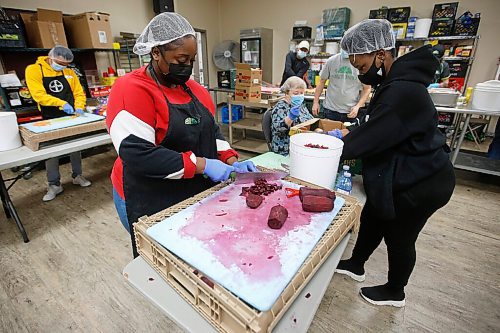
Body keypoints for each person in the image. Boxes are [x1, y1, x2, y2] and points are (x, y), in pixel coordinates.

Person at [106, 13, 256, 257]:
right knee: (161, 262)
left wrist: (230, 159)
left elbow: (212, 132)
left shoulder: (196, 91)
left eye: (192, 60)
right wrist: (204, 164)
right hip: (148, 195)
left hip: (190, 192)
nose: (187, 66)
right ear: (156, 53)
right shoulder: (131, 89)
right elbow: (138, 155)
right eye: (180, 59)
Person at [330, 19, 456, 307]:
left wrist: (330, 146)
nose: (361, 73)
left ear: (380, 54)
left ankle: (395, 291)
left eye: (361, 67)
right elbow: (375, 123)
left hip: (425, 181)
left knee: (399, 236)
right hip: (404, 170)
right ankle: (357, 264)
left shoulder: (402, 91)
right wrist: (346, 133)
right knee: (374, 215)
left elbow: (374, 135)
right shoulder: (393, 82)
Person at [25, 45, 91, 202]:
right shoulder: (34, 70)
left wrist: (80, 107)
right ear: (50, 58)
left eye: (66, 64)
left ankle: (77, 175)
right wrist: (61, 103)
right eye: (60, 64)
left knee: (75, 147)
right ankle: (54, 184)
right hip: (49, 117)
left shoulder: (68, 72)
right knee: (51, 152)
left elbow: (78, 92)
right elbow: (38, 95)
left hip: (71, 116)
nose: (63, 67)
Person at [312, 50, 371, 123]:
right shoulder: (332, 61)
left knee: (349, 133)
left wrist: (358, 106)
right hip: (331, 110)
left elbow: (367, 88)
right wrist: (315, 102)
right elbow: (322, 81)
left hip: (351, 111)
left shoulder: (361, 63)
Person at [270, 76, 314, 156]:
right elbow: (278, 129)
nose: (299, 96)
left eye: (302, 93)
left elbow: (310, 120)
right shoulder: (280, 107)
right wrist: (290, 117)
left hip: (302, 144)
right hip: (285, 148)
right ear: (287, 92)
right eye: (296, 93)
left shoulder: (301, 106)